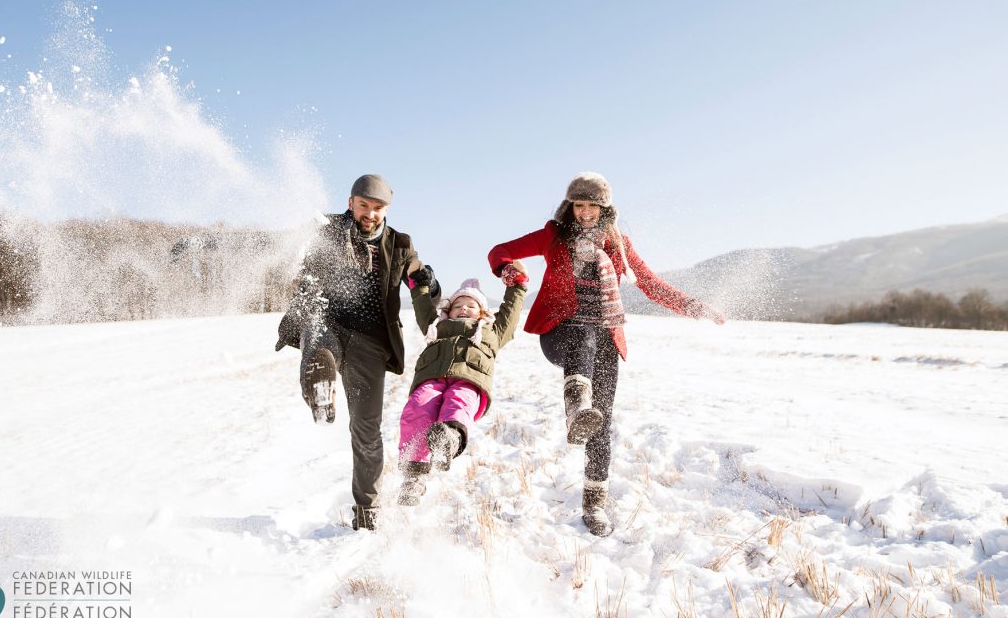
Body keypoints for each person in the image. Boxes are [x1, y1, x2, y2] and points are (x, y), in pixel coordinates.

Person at [487, 172, 725, 537]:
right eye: (578, 205)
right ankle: (575, 404)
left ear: (604, 209)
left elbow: (649, 283)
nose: (584, 213)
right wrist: (508, 272)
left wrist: (696, 307)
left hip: (606, 337)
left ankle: (594, 503)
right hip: (559, 332)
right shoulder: (554, 236)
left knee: (602, 420)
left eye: (592, 206)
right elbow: (500, 251)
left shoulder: (618, 244)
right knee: (584, 332)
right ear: (570, 207)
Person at [275, 173, 440, 531]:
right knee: (317, 337)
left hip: (371, 342)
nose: (370, 213)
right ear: (351, 203)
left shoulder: (400, 244)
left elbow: (417, 281)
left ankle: (367, 512)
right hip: (329, 322)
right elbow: (286, 247)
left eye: (377, 208)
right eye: (363, 205)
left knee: (366, 430)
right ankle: (319, 387)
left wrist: (428, 289)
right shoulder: (328, 229)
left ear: (386, 210)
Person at [396, 266, 528, 506]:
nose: (463, 308)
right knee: (417, 407)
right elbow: (423, 308)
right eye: (457, 305)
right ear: (449, 310)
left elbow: (510, 313)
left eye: (470, 305)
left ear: (482, 312)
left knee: (458, 403)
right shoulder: (437, 326)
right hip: (432, 379)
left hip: (468, 381)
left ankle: (450, 439)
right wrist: (419, 287)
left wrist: (517, 286)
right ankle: (413, 476)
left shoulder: (492, 331)